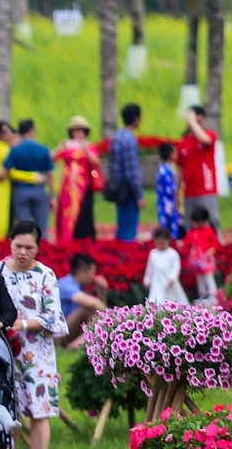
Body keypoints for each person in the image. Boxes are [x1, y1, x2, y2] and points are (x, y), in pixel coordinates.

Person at [0, 221, 68, 449]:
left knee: (40, 413)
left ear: (38, 248)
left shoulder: (46, 275)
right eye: (18, 246)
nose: (23, 252)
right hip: (2, 352)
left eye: (29, 247)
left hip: (38, 355)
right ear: (9, 243)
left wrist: (23, 324)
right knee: (5, 411)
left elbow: (54, 317)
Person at [52, 116, 102, 242]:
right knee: (66, 213)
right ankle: (67, 239)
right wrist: (60, 148)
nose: (78, 133)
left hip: (84, 186)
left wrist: (86, 149)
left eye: (81, 130)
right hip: (68, 187)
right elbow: (51, 158)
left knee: (84, 213)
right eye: (75, 130)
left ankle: (84, 240)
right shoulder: (67, 146)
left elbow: (96, 162)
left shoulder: (90, 147)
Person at [2, 119, 55, 231]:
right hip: (39, 191)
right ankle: (43, 247)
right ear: (32, 131)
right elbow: (50, 175)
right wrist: (52, 196)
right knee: (42, 227)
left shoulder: (15, 150)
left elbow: (6, 170)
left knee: (23, 227)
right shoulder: (43, 150)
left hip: (21, 191)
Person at [178, 106, 219, 228]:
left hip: (206, 190)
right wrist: (176, 192)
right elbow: (180, 168)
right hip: (189, 192)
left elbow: (204, 140)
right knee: (190, 225)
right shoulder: (184, 141)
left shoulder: (209, 134)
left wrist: (193, 122)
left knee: (210, 223)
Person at [108, 103, 145, 242]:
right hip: (128, 190)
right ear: (136, 119)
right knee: (129, 229)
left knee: (122, 224)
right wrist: (139, 196)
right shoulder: (129, 139)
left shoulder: (117, 137)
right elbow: (132, 171)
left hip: (118, 189)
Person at [57, 254, 108, 345]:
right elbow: (92, 303)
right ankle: (73, 347)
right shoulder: (64, 284)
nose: (93, 277)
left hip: (69, 330)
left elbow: (98, 310)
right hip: (58, 333)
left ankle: (79, 345)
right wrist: (113, 318)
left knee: (94, 313)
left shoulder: (78, 288)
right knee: (87, 308)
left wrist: (102, 292)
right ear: (82, 273)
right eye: (92, 273)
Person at [183, 207, 220, 303]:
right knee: (199, 277)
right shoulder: (193, 232)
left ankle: (212, 294)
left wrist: (211, 251)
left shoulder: (209, 231)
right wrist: (182, 244)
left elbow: (216, 244)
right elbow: (187, 241)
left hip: (206, 259)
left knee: (208, 276)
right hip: (197, 260)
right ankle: (202, 294)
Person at [143, 228, 189, 304]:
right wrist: (147, 279)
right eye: (158, 243)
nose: (160, 246)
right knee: (156, 300)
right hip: (156, 281)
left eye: (162, 243)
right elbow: (149, 268)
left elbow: (176, 267)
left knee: (171, 301)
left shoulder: (173, 253)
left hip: (169, 282)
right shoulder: (153, 253)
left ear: (168, 241)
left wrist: (172, 278)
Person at [156, 143, 181, 238]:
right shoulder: (166, 170)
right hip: (168, 204)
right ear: (170, 154)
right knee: (170, 230)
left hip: (165, 203)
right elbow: (170, 190)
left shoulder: (163, 168)